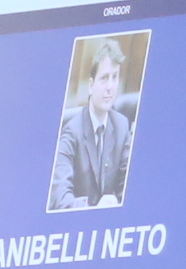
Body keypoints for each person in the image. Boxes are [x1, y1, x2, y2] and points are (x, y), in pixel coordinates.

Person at [48, 39, 139, 212]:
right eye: (104, 78)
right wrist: (95, 207)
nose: (110, 87)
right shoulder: (71, 132)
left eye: (115, 77)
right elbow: (59, 200)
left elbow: (131, 189)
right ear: (91, 86)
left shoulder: (121, 126)